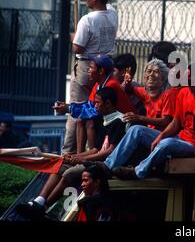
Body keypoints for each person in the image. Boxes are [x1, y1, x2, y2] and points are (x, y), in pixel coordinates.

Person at [99, 63, 195, 180]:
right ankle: (108, 166)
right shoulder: (183, 93)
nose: (191, 85)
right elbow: (175, 123)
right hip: (180, 138)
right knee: (136, 130)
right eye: (189, 81)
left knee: (166, 143)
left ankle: (138, 172)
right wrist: (160, 136)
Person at [16, 87, 127, 219]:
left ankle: (43, 207)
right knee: (61, 163)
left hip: (103, 165)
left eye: (98, 103)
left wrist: (82, 160)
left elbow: (109, 151)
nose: (95, 106)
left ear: (108, 103)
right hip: (93, 159)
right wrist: (74, 156)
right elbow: (96, 149)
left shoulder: (119, 121)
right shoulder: (104, 120)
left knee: (69, 173)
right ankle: (39, 200)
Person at [63, 0, 118, 154]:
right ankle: (91, 148)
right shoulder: (112, 13)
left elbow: (77, 47)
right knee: (96, 110)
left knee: (76, 109)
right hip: (106, 67)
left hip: (88, 67)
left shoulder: (87, 20)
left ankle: (68, 152)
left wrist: (73, 37)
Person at [54, 55, 134, 153]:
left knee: (90, 121)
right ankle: (80, 155)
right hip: (110, 119)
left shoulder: (111, 84)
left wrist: (69, 109)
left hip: (122, 124)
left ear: (101, 71)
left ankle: (90, 156)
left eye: (92, 67)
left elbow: (95, 111)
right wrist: (69, 107)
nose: (89, 70)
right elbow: (90, 106)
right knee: (80, 120)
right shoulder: (98, 84)